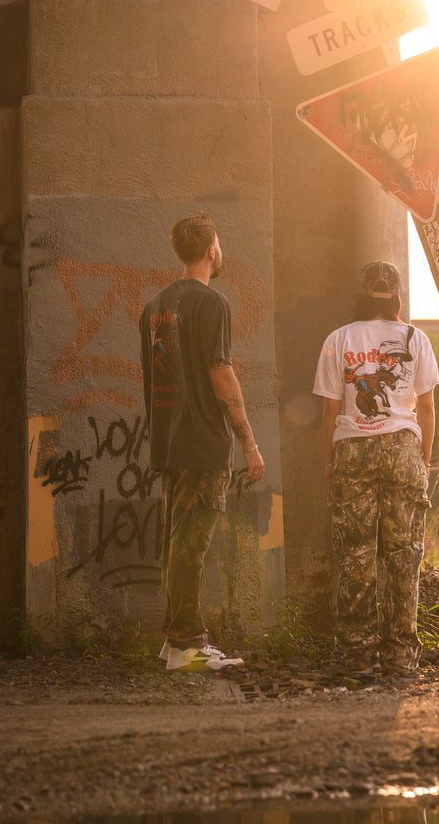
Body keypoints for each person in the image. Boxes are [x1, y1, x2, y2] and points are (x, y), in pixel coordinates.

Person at [139, 213, 265, 672]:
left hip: (171, 443)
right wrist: (248, 443)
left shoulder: (154, 306)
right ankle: (189, 645)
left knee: (178, 543)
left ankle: (175, 645)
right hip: (204, 444)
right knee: (191, 546)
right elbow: (221, 372)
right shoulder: (212, 304)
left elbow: (153, 378)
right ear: (211, 249)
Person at [313, 260, 439, 676]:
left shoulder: (338, 338)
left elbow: (331, 410)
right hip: (404, 445)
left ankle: (358, 658)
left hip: (353, 447)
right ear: (397, 295)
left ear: (362, 294)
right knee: (404, 556)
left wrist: (330, 462)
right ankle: (402, 657)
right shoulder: (415, 338)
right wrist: (423, 460)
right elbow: (427, 408)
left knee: (355, 555)